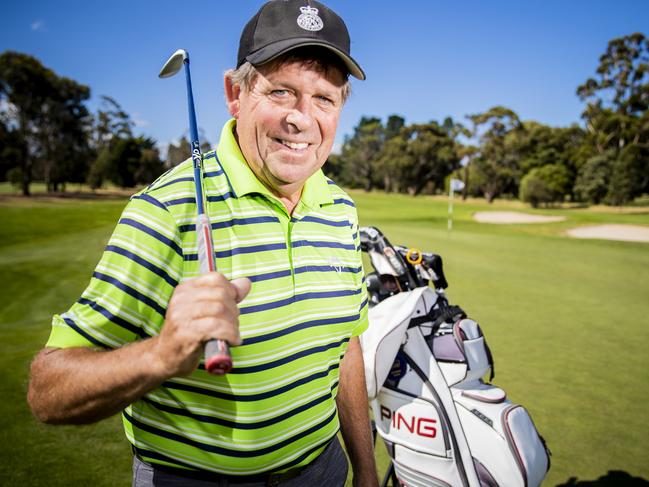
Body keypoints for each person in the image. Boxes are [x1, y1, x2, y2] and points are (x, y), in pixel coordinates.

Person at [27, 1, 378, 486]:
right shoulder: (166, 211)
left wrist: (365, 467)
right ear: (235, 93)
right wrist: (161, 354)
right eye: (282, 91)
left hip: (321, 471)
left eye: (324, 99)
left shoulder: (340, 210)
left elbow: (347, 345)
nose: (302, 118)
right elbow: (48, 390)